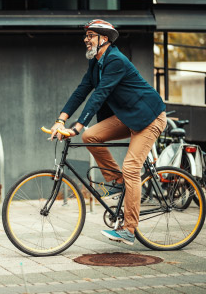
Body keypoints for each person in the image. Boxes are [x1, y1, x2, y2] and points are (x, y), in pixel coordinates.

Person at [49, 19, 166, 246]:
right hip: (128, 116)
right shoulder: (96, 63)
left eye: (90, 35)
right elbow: (82, 91)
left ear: (104, 39)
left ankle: (129, 230)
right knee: (90, 137)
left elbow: (99, 95)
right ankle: (117, 181)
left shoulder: (115, 61)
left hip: (149, 118)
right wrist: (60, 119)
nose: (86, 39)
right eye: (86, 36)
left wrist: (76, 126)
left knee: (132, 167)